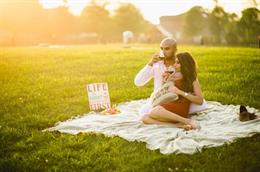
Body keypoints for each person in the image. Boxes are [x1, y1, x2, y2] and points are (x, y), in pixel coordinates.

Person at [134, 38, 203, 129]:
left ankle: (184, 120)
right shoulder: (156, 65)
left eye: (166, 49)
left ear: (175, 50)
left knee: (199, 106)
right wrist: (150, 63)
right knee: (144, 116)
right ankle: (178, 125)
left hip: (177, 101)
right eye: (161, 49)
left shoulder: (182, 67)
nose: (163, 51)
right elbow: (138, 82)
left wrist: (180, 90)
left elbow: (196, 96)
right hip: (160, 99)